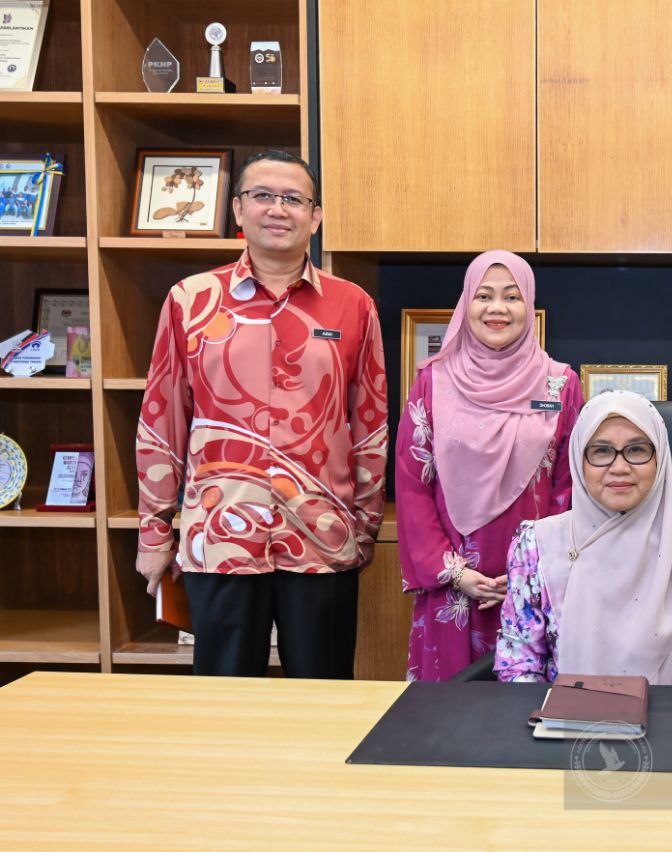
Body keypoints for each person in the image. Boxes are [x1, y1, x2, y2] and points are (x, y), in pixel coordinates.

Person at [135, 149, 388, 678]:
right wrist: (155, 534)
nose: (279, 209)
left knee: (323, 695)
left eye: (294, 199)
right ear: (237, 209)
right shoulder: (191, 300)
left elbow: (370, 422)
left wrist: (362, 527)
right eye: (263, 196)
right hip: (220, 533)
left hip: (322, 538)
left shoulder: (353, 304)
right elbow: (162, 420)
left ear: (315, 217)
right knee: (224, 700)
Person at [396, 250, 583, 681]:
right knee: (449, 720)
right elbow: (412, 484)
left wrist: (531, 569)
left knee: (529, 717)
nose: (497, 308)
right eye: (484, 296)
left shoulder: (560, 384)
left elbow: (570, 487)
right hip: (454, 590)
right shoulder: (432, 381)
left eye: (512, 297)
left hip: (536, 586)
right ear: (466, 304)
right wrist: (455, 572)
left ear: (529, 306)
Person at [496, 391, 672, 686]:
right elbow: (517, 666)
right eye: (601, 451)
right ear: (579, 460)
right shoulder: (538, 545)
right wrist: (555, 725)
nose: (619, 467)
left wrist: (670, 725)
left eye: (637, 450)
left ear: (660, 458)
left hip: (670, 722)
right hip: (561, 723)